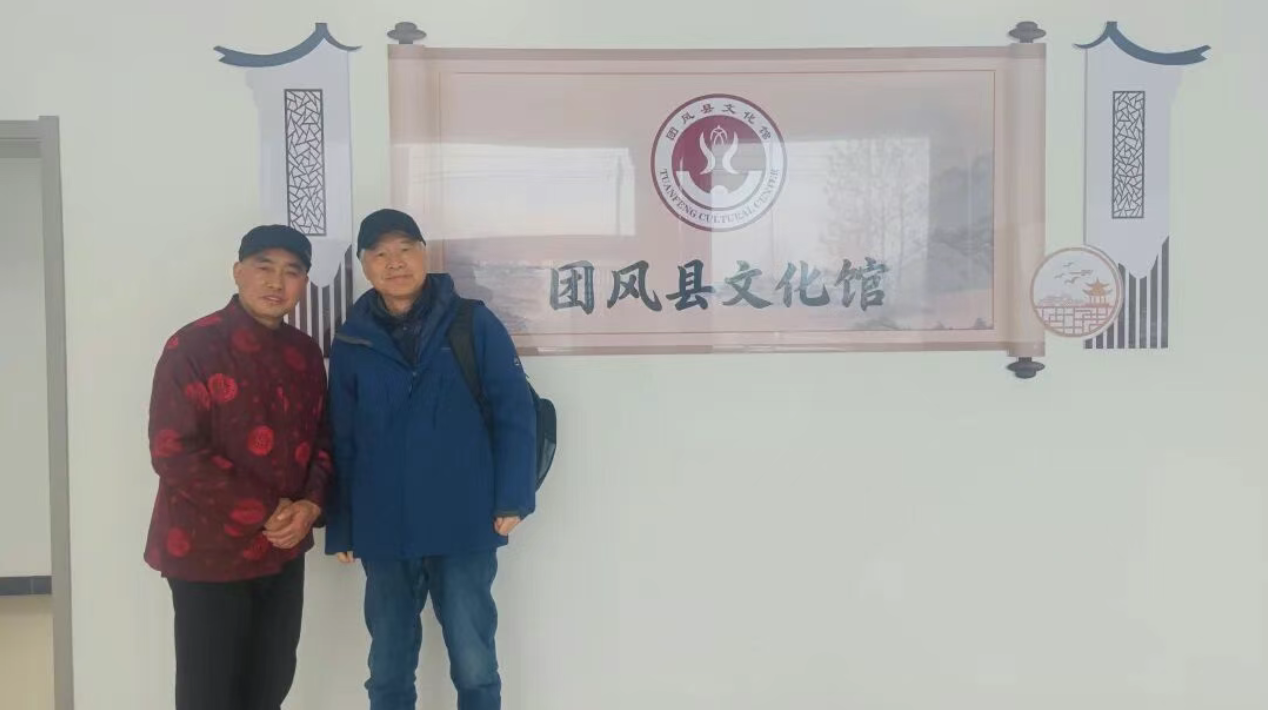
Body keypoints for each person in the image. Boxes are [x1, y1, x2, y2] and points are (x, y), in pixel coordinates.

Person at [325, 208, 537, 710]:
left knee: (475, 665)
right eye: (380, 253)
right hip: (384, 525)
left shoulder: (473, 323)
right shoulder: (352, 339)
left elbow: (514, 412)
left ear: (425, 254)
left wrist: (513, 496)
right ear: (364, 264)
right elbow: (342, 437)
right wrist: (343, 525)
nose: (394, 262)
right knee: (388, 670)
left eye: (405, 249)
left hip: (463, 519)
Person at [143, 225, 334, 710]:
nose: (276, 282)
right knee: (208, 694)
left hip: (283, 551)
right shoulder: (192, 346)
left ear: (303, 283)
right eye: (264, 267)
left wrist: (311, 505)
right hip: (208, 551)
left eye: (292, 271)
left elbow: (324, 437)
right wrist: (268, 509)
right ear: (237, 272)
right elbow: (173, 451)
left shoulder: (305, 353)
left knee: (270, 684)